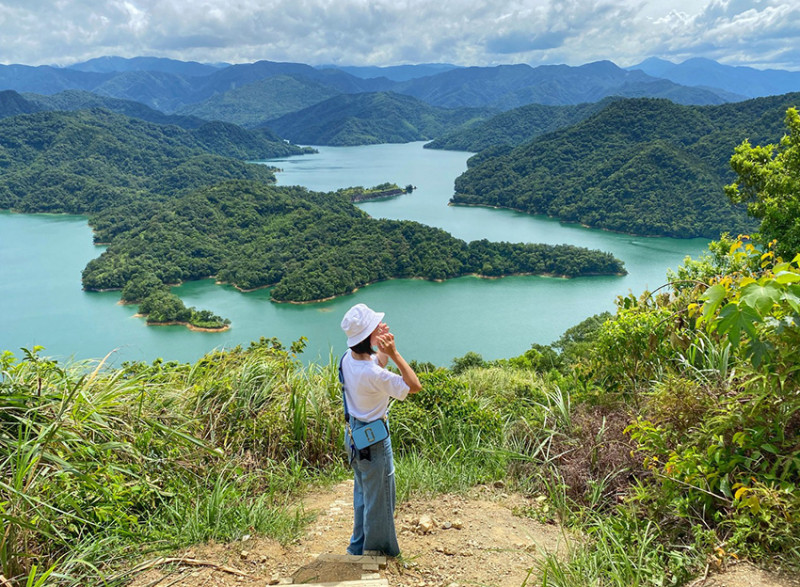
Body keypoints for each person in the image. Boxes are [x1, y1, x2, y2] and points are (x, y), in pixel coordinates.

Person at [339, 303, 422, 557]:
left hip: (354, 436)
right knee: (381, 498)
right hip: (374, 442)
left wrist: (381, 345)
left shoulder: (348, 359)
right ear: (368, 337)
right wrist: (395, 354)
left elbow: (376, 365)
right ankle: (376, 552)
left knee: (364, 493)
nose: (380, 327)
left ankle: (357, 546)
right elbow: (414, 385)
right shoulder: (374, 374)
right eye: (376, 327)